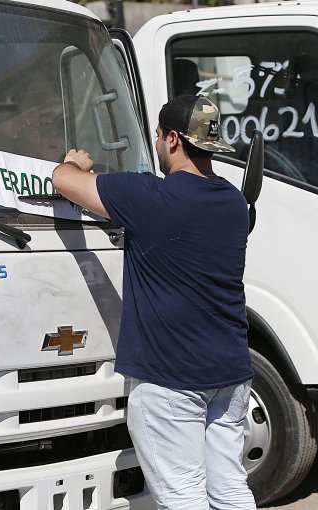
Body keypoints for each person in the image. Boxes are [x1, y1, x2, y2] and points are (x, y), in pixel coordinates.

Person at [53, 94, 256, 510]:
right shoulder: (235, 204)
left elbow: (62, 180)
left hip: (170, 379)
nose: (159, 143)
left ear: (174, 140)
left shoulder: (147, 196)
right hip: (231, 373)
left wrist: (76, 163)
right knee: (231, 490)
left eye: (160, 136)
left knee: (182, 498)